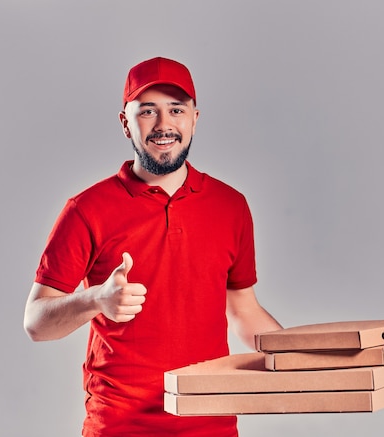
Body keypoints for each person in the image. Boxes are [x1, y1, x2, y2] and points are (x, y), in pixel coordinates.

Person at [23, 56, 282, 437]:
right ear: (125, 122)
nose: (164, 125)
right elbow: (36, 323)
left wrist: (298, 355)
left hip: (211, 424)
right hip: (119, 427)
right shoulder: (86, 210)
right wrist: (97, 299)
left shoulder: (231, 206)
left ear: (194, 119)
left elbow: (244, 311)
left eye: (176, 110)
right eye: (148, 111)